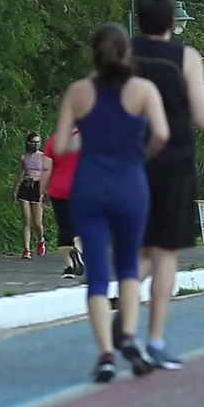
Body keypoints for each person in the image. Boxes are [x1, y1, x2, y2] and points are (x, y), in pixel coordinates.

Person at [52, 22, 171, 383]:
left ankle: (105, 354)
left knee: (98, 276)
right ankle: (131, 337)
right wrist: (139, 154)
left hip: (88, 188)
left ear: (93, 53)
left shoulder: (78, 92)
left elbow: (58, 147)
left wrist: (86, 140)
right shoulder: (143, 90)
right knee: (130, 267)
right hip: (129, 184)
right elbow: (162, 135)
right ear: (127, 53)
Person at [114, 0, 204, 371]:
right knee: (164, 252)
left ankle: (123, 320)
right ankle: (154, 339)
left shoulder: (123, 54)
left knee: (138, 250)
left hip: (127, 160)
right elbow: (203, 117)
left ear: (138, 20)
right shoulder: (186, 57)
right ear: (173, 22)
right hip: (172, 161)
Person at [40, 128, 85, 278]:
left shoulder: (54, 140)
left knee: (64, 227)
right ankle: (78, 248)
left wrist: (42, 191)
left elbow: (46, 168)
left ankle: (69, 268)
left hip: (58, 189)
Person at [15, 132, 47, 259]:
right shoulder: (24, 157)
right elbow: (18, 175)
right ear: (28, 143)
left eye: (38, 142)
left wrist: (36, 177)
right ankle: (26, 249)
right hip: (25, 187)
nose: (36, 144)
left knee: (37, 222)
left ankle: (40, 240)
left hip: (38, 188)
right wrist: (14, 190)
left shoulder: (44, 157)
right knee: (26, 219)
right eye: (33, 142)